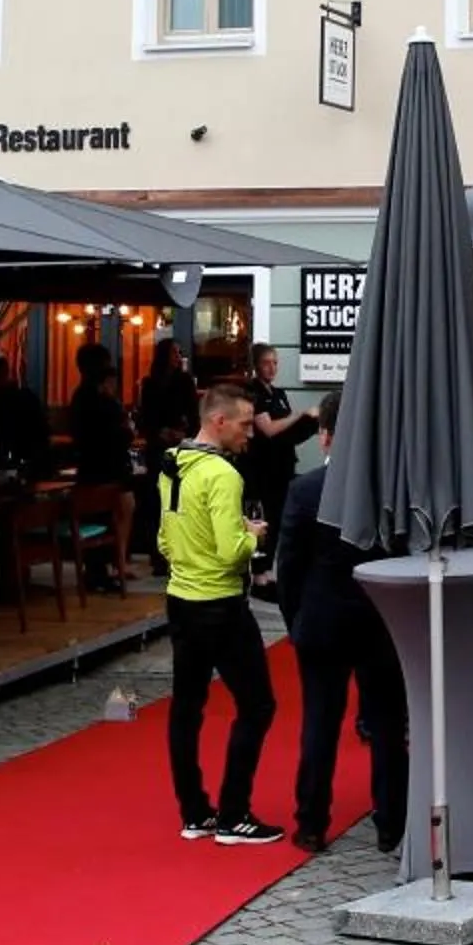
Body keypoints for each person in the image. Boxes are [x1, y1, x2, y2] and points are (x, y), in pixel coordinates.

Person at [276, 389, 407, 853]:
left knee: (320, 723)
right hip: (379, 620)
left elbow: (288, 566)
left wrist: (297, 620)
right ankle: (392, 822)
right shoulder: (388, 490)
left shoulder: (306, 489)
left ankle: (311, 821)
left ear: (327, 437)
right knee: (389, 724)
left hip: (323, 618)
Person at [159, 384, 281, 845]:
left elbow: (165, 541)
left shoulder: (172, 465)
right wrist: (255, 536)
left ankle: (194, 811)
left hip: (181, 597)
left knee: (187, 708)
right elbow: (233, 552)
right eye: (246, 423)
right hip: (220, 602)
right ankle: (234, 814)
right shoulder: (222, 474)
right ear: (219, 422)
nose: (251, 432)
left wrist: (203, 549)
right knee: (258, 704)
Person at [68, 344, 140, 588]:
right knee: (117, 511)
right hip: (109, 466)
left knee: (107, 513)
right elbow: (123, 433)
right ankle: (109, 566)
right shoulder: (103, 401)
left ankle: (107, 566)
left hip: (92, 466)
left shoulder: (80, 397)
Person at [242, 343, 316, 526]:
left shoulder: (279, 394)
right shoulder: (253, 391)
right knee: (268, 514)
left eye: (275, 363)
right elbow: (268, 429)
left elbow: (287, 429)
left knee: (283, 513)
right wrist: (300, 414)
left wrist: (309, 423)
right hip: (264, 467)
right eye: (266, 363)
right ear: (256, 365)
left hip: (284, 462)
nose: (271, 368)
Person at [138, 340, 200, 454]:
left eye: (179, 353)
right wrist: (158, 431)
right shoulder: (150, 383)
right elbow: (146, 414)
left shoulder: (185, 381)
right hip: (157, 443)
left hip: (181, 441)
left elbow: (193, 412)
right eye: (174, 353)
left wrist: (185, 433)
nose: (178, 357)